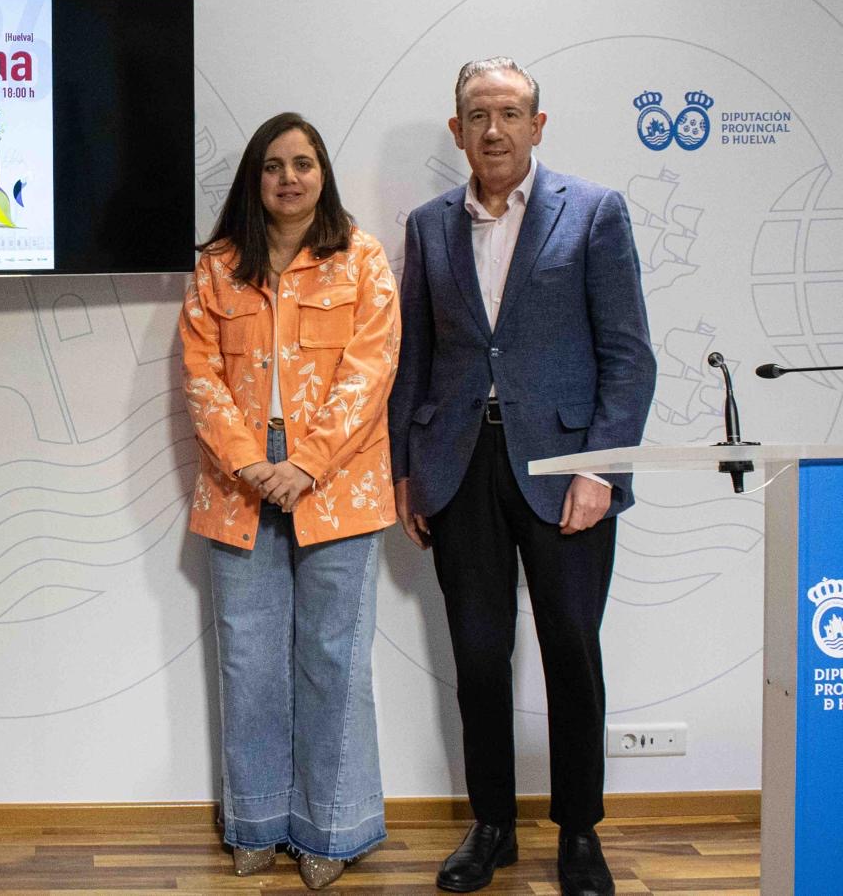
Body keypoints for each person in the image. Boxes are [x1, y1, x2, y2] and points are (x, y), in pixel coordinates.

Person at [388, 58, 655, 896]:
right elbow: (415, 357)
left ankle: (578, 832)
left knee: (571, 648)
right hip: (459, 465)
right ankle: (493, 825)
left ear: (537, 126)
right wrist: (405, 470)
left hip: (566, 470)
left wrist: (600, 468)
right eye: (478, 115)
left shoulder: (595, 211)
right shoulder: (429, 226)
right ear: (457, 129)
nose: (493, 129)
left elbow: (629, 356)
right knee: (478, 654)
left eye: (509, 113)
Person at [179, 112, 399, 890]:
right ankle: (256, 822)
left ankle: (330, 830)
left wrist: (304, 463)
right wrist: (253, 463)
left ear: (323, 174)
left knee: (334, 660)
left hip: (338, 479)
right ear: (255, 178)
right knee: (249, 657)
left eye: (303, 163)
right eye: (273, 165)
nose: (289, 178)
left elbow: (371, 373)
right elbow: (201, 376)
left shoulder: (363, 259)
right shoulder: (217, 267)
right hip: (238, 481)